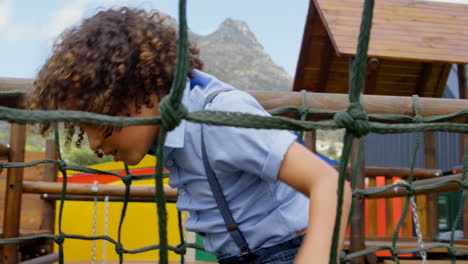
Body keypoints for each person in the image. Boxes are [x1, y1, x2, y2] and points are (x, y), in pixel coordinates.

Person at [28, 7, 352, 264]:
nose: (96, 143)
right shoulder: (163, 131)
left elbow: (331, 183)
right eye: (85, 131)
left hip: (287, 251)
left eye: (105, 125)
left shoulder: (219, 118)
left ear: (146, 91)